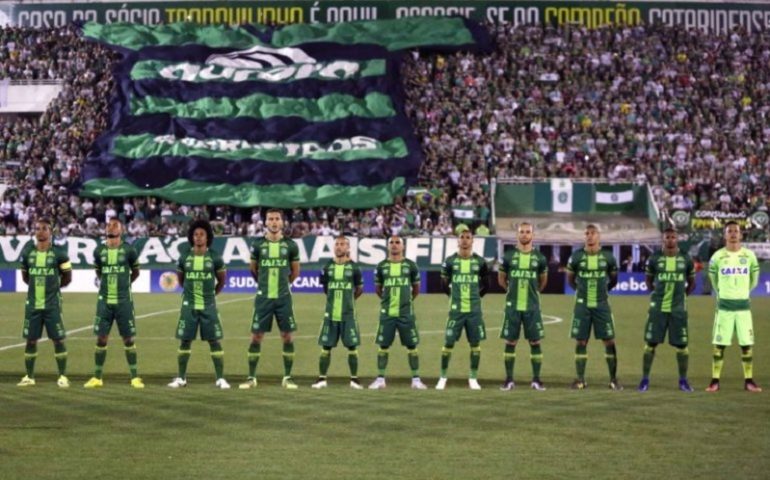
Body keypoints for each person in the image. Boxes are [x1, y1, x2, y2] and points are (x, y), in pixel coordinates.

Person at [240, 209, 300, 390]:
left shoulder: (290, 245)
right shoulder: (258, 244)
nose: (274, 222)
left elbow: (295, 272)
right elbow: (253, 269)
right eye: (270, 219)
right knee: (256, 336)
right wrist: (264, 285)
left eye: (277, 219)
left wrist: (283, 286)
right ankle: (251, 378)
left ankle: (287, 378)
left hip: (283, 298)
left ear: (283, 222)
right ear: (265, 222)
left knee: (287, 337)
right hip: (263, 298)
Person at [167, 219, 230, 389]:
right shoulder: (185, 257)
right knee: (185, 341)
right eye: (196, 234)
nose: (199, 237)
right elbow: (181, 281)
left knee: (214, 341)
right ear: (191, 237)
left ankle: (220, 378)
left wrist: (210, 296)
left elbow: (221, 281)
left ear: (207, 237)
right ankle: (181, 378)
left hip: (208, 306)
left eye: (202, 234)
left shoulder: (215, 257)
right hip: (189, 306)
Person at [84, 218, 144, 389]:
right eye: (109, 225)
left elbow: (136, 272)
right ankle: (97, 377)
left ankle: (134, 377)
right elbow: (98, 271)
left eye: (114, 225)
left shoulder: (129, 250)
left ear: (121, 230)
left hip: (124, 301)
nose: (111, 227)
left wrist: (124, 285)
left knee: (128, 339)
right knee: (101, 339)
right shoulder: (99, 251)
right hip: (104, 302)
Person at [638, 228, 696, 392]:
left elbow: (692, 283)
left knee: (682, 346)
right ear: (663, 240)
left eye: (673, 237)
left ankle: (683, 381)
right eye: (667, 237)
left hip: (678, 309)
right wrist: (656, 296)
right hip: (658, 309)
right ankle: (644, 379)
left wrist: (682, 297)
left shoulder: (685, 258)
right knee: (650, 344)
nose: (670, 240)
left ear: (677, 239)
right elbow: (649, 281)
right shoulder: (654, 258)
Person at [706, 221, 761, 392]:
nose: (733, 234)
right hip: (724, 308)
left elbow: (754, 279)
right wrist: (723, 293)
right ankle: (715, 381)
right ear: (725, 235)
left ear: (741, 234)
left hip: (743, 307)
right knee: (719, 345)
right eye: (729, 231)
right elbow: (713, 280)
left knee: (746, 345)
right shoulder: (717, 257)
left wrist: (744, 292)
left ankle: (749, 381)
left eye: (736, 231)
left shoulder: (749, 256)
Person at [17, 218, 72, 387]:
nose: (40, 231)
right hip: (33, 305)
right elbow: (26, 277)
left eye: (44, 228)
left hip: (52, 306)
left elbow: (67, 278)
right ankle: (29, 376)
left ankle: (62, 376)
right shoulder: (27, 253)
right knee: (30, 341)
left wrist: (53, 288)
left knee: (58, 340)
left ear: (51, 232)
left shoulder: (60, 254)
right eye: (38, 228)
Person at [566, 224, 622, 390]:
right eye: (587, 233)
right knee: (581, 341)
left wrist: (603, 292)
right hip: (582, 306)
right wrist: (580, 292)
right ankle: (580, 379)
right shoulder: (576, 257)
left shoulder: (608, 257)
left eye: (593, 233)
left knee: (609, 340)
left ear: (599, 236)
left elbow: (614, 280)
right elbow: (570, 279)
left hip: (601, 305)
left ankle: (613, 380)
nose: (590, 236)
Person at [369, 235, 426, 389]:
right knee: (383, 345)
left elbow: (416, 290)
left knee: (412, 345)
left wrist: (406, 302)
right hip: (387, 313)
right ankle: (380, 379)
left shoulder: (411, 266)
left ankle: (416, 380)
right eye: (391, 243)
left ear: (403, 247)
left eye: (397, 243)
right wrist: (387, 302)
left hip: (406, 314)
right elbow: (378, 289)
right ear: (388, 246)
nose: (394, 245)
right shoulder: (381, 266)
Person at [436, 225, 489, 390]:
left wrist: (475, 299)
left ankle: (473, 378)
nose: (465, 240)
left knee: (475, 344)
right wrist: (454, 298)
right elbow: (444, 284)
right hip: (456, 311)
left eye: (468, 237)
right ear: (457, 241)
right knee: (448, 343)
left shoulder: (480, 262)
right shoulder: (450, 261)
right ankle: (443, 377)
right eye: (462, 237)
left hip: (474, 312)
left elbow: (486, 285)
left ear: (472, 241)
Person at [496, 222, 548, 391]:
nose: (525, 235)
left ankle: (536, 380)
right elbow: (501, 279)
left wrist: (534, 293)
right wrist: (511, 292)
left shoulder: (539, 258)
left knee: (535, 341)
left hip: (532, 307)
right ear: (517, 235)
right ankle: (509, 380)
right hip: (513, 307)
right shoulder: (509, 256)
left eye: (528, 232)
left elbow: (543, 281)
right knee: (510, 341)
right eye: (522, 232)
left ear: (532, 235)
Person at [311, 236, 364, 389]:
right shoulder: (327, 267)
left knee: (352, 347)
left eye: (342, 244)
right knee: (326, 346)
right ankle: (322, 379)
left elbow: (359, 289)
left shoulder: (354, 268)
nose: (339, 247)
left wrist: (349, 301)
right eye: (337, 244)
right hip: (331, 314)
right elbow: (326, 289)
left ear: (348, 248)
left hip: (348, 315)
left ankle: (354, 379)